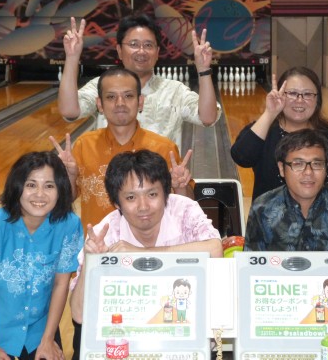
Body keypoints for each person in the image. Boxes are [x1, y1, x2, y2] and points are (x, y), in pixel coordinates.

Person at [69, 149, 222, 359]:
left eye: (152, 194)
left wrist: (142, 254)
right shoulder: (106, 233)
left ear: (166, 194)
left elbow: (215, 250)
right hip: (131, 342)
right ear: (116, 203)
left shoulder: (184, 210)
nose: (143, 207)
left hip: (186, 340)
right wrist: (91, 263)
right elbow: (79, 315)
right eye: (131, 197)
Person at [0, 152, 83, 360]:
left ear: (60, 189)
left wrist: (47, 339)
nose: (40, 194)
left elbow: (61, 284)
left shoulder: (69, 225)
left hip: (40, 329)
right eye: (31, 185)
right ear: (17, 187)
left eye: (49, 186)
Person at [51, 67, 193, 231]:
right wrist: (70, 175)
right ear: (100, 104)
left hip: (148, 245)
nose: (120, 103)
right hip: (98, 244)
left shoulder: (163, 148)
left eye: (128, 96)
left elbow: (188, 205)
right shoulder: (84, 145)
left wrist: (181, 186)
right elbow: (66, 199)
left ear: (140, 102)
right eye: (111, 97)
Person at [58, 13, 221, 148]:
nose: (141, 51)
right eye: (134, 44)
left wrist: (203, 69)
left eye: (148, 45)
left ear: (157, 52)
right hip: (112, 174)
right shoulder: (103, 84)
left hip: (160, 176)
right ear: (119, 50)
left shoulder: (174, 90)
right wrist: (72, 57)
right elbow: (69, 110)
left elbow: (208, 118)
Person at [231, 66, 328, 200]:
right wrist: (270, 113)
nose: (300, 100)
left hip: (326, 214)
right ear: (280, 95)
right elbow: (241, 158)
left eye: (308, 94)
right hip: (270, 213)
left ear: (317, 100)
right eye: (292, 93)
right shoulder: (264, 131)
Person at [243, 128, 328, 262]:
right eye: (298, 164)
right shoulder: (262, 207)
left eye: (317, 164)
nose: (308, 172)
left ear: (326, 168)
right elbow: (252, 264)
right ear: (281, 168)